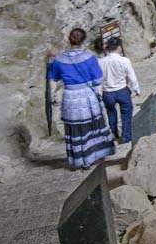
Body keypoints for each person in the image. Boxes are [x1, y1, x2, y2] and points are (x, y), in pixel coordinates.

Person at [47, 28, 114, 170]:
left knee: (76, 128)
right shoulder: (89, 57)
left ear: (68, 38)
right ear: (83, 40)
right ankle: (95, 154)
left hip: (70, 96)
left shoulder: (59, 59)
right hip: (87, 96)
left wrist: (51, 61)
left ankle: (82, 160)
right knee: (91, 125)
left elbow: (53, 77)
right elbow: (97, 79)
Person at [99, 37, 140, 145]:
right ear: (119, 47)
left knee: (111, 114)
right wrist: (136, 89)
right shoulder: (124, 60)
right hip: (122, 90)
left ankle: (114, 134)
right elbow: (131, 76)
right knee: (126, 114)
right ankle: (126, 136)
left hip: (107, 92)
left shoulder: (101, 62)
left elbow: (98, 79)